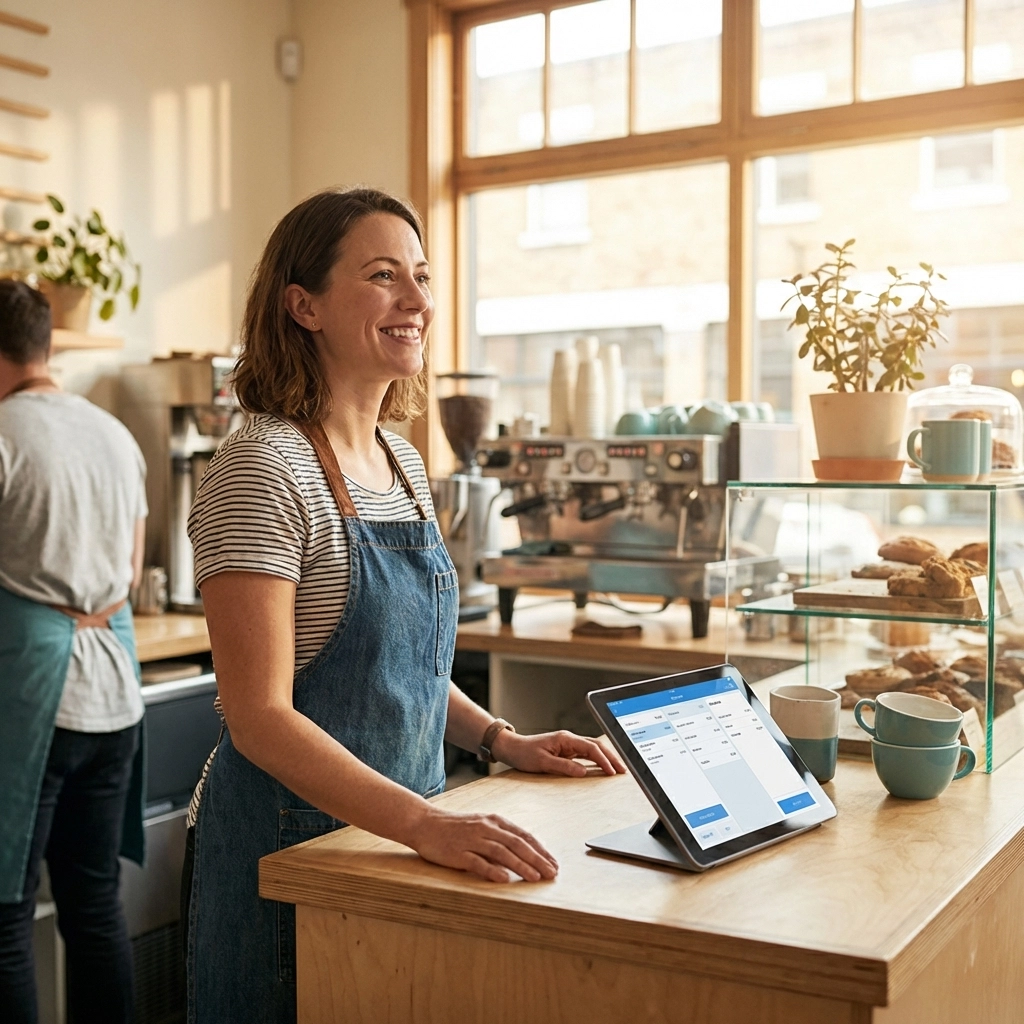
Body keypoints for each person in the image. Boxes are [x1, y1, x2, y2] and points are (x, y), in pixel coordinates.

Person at [183, 186, 625, 1023]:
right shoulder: (262, 469)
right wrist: (426, 826)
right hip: (292, 851)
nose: (417, 302)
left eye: (420, 276)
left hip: (395, 837)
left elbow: (406, 669)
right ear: (302, 305)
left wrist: (500, 740)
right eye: (384, 276)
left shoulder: (402, 460)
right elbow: (259, 717)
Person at [0, 280, 148, 1024]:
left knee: (4, 920)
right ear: (46, 346)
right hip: (114, 699)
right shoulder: (113, 433)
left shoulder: (3, 433)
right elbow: (127, 571)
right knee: (93, 909)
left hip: (33, 704)